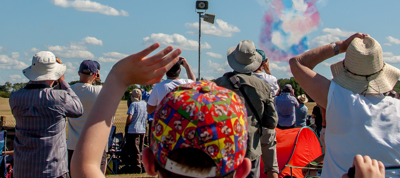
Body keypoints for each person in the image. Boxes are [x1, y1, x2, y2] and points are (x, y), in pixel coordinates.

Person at [70, 43, 252, 178]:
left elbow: (84, 165)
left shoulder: (160, 87)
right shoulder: (187, 81)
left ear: (149, 163)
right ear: (243, 170)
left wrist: (118, 77)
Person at [289, 34, 400, 178]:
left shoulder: (336, 97)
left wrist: (341, 46)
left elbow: (297, 63)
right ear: (381, 70)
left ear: (346, 70)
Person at [10, 51, 83, 178]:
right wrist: (63, 82)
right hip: (52, 169)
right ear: (55, 73)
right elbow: (78, 109)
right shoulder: (58, 97)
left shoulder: (15, 97)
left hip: (22, 168)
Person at [215, 40, 278, 178]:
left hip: (223, 146)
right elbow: (272, 121)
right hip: (250, 146)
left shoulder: (219, 84)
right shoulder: (263, 86)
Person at [67, 60, 106, 174]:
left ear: (79, 72)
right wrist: (98, 81)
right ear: (95, 74)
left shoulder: (69, 91)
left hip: (73, 143)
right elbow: (104, 94)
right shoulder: (98, 91)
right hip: (95, 144)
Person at [254, 49, 279, 178]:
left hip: (252, 126)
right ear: (263, 62)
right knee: (271, 166)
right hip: (267, 124)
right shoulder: (271, 79)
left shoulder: (247, 79)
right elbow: (275, 92)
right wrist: (267, 70)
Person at [122, 88, 148, 173]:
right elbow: (146, 116)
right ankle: (143, 164)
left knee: (135, 150)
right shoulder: (144, 104)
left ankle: (137, 167)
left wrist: (127, 124)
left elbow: (130, 116)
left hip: (133, 130)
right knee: (141, 149)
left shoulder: (133, 105)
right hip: (143, 129)